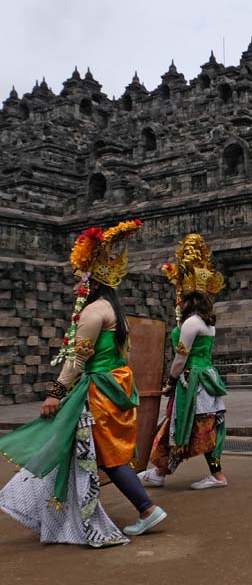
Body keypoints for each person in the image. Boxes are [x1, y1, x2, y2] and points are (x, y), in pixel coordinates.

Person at [0, 219, 167, 545]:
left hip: (97, 392)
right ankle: (62, 511)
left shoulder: (93, 313)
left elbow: (76, 360)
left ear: (91, 281)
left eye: (81, 277)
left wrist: (54, 393)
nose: (78, 283)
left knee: (102, 454)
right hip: (114, 386)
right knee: (87, 452)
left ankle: (146, 509)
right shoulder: (114, 312)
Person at [139, 234, 228, 490]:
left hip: (193, 380)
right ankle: (159, 470)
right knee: (192, 424)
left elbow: (180, 358)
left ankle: (215, 475)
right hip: (207, 376)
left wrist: (170, 380)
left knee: (197, 425)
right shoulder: (208, 323)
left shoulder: (190, 323)